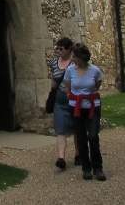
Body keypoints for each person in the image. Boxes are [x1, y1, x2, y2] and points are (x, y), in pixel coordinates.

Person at [64, 43, 106, 182]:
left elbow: (96, 86)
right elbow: (69, 88)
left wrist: (87, 95)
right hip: (76, 108)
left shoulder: (95, 70)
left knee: (93, 136)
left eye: (74, 56)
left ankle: (98, 168)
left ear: (81, 57)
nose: (73, 59)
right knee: (81, 138)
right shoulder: (70, 70)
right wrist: (75, 97)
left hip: (92, 107)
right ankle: (86, 168)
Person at [47, 36, 77, 171]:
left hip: (74, 99)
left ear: (69, 49)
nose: (58, 51)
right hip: (59, 100)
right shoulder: (54, 62)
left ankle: (78, 154)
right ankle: (61, 158)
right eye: (57, 48)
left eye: (61, 48)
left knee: (77, 128)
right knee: (60, 129)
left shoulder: (75, 62)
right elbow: (54, 79)